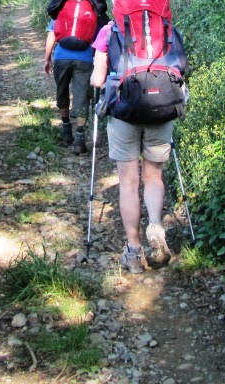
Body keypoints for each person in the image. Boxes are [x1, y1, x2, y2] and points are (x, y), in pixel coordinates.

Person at [90, 18, 173, 274]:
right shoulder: (165, 27)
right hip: (161, 108)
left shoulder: (109, 31)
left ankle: (134, 252)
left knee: (128, 182)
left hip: (124, 113)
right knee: (154, 176)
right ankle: (155, 226)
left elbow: (97, 79)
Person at [44, 0, 97, 154]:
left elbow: (52, 34)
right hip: (85, 58)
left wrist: (47, 58)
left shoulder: (64, 5)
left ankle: (66, 129)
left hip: (61, 56)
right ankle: (79, 138)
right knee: (82, 95)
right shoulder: (94, 8)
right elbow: (100, 39)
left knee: (62, 91)